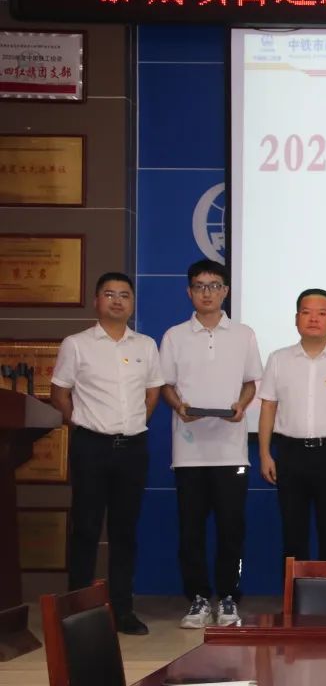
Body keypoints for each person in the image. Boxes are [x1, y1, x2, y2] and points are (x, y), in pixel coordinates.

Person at [50, 272, 164, 635]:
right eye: (110, 294)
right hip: (91, 447)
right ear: (97, 301)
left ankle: (122, 610)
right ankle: (78, 612)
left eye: (125, 295)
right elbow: (59, 394)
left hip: (132, 449)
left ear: (132, 303)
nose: (117, 301)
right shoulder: (76, 344)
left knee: (124, 532)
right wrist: (84, 424)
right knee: (85, 529)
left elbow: (152, 394)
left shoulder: (145, 345)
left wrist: (131, 424)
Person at [159, 259, 262, 628]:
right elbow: (165, 385)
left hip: (231, 451)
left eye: (214, 286)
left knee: (232, 529)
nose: (207, 293)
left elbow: (251, 382)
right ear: (189, 292)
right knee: (191, 530)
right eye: (200, 286)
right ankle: (199, 599)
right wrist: (179, 407)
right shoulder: (174, 336)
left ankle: (229, 598)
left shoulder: (244, 334)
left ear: (226, 291)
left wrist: (241, 406)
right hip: (189, 451)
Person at [258, 289, 326, 562]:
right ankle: (294, 590)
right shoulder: (278, 359)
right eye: (306, 313)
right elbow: (268, 407)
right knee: (292, 534)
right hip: (290, 453)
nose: (313, 319)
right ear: (296, 318)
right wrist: (264, 454)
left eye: (322, 313)